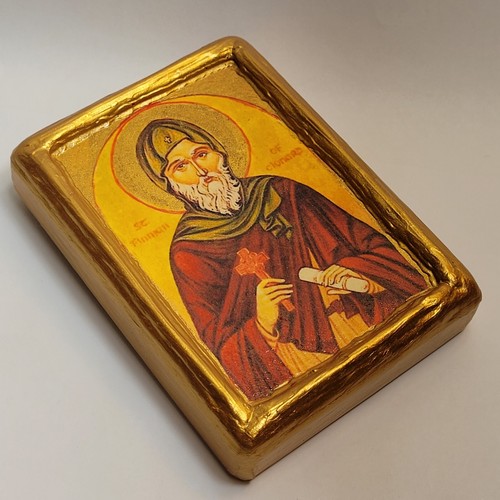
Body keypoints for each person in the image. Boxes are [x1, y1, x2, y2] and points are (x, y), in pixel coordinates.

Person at [142, 123, 428, 400]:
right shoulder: (189, 251)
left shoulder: (283, 191)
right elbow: (219, 347)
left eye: (202, 154)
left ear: (220, 154)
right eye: (181, 167)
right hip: (295, 361)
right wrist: (263, 323)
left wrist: (362, 275)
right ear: (171, 186)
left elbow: (380, 249)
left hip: (357, 323)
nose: (201, 171)